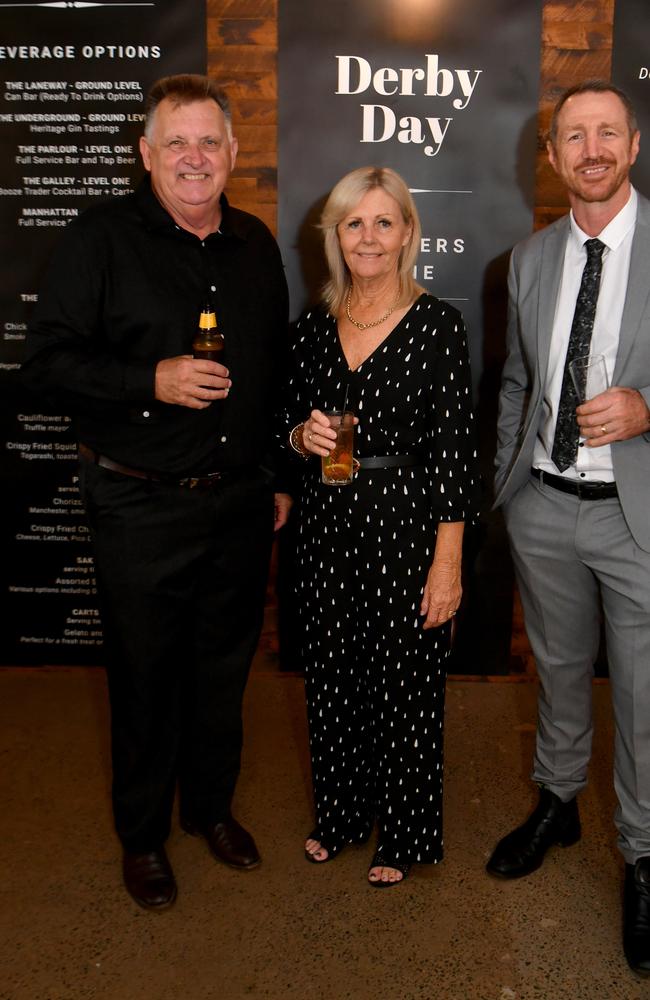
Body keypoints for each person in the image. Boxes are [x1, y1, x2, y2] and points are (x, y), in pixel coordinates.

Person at [22, 74, 290, 910]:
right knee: (143, 679)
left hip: (239, 503)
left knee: (221, 673)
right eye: (177, 141)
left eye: (210, 141)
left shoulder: (255, 244)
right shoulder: (99, 238)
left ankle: (208, 809)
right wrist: (152, 381)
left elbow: (275, 374)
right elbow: (46, 367)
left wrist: (277, 477)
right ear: (146, 153)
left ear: (233, 155)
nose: (194, 157)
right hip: (139, 504)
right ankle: (142, 837)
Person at [489, 79, 650, 976]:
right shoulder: (528, 258)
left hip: (639, 518)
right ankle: (558, 802)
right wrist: (513, 492)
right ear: (551, 157)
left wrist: (647, 407)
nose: (591, 150)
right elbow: (517, 381)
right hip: (546, 507)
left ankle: (644, 853)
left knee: (644, 696)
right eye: (573, 137)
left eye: (607, 134)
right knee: (554, 671)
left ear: (633, 146)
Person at [283, 166, 480, 887]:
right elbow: (286, 424)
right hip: (328, 521)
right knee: (332, 679)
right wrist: (300, 437)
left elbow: (457, 451)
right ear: (337, 236)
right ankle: (340, 816)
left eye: (382, 222)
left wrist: (447, 561)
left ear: (406, 233)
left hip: (406, 523)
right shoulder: (312, 326)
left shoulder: (438, 325)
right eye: (353, 223)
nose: (368, 237)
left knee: (405, 682)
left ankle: (403, 831)